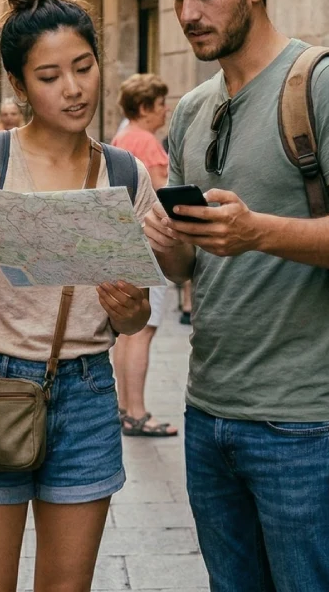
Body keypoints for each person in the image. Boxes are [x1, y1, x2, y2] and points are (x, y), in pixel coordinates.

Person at [142, 0, 329, 591]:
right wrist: (163, 241)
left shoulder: (325, 82)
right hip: (209, 411)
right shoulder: (191, 111)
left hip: (305, 420)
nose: (189, 13)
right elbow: (187, 266)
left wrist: (258, 230)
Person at [0, 0, 156, 592]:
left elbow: (135, 317)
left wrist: (127, 305)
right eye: (50, 77)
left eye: (84, 67)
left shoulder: (125, 174)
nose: (73, 90)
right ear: (19, 84)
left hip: (86, 393)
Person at [111, 73, 178, 438]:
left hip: (123, 243)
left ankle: (124, 408)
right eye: (160, 104)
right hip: (148, 246)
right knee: (143, 333)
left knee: (126, 334)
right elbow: (161, 197)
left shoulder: (122, 138)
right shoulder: (147, 143)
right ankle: (137, 412)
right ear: (144, 107)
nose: (165, 110)